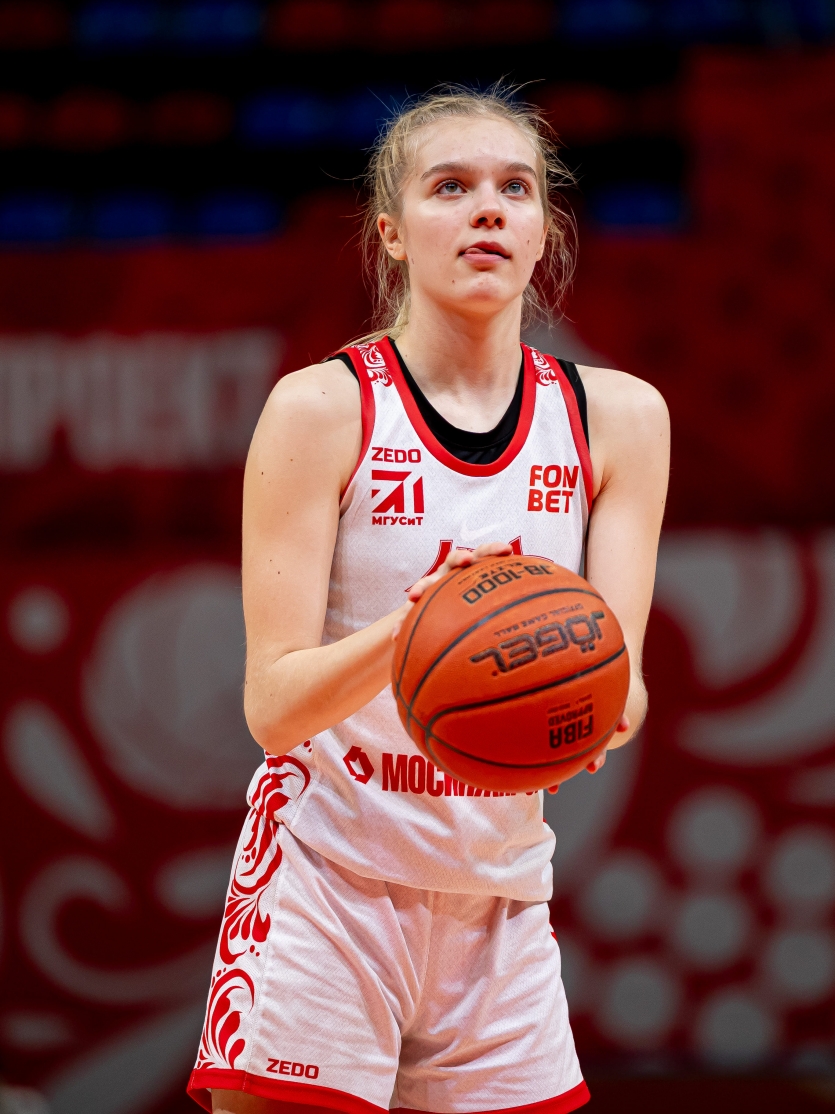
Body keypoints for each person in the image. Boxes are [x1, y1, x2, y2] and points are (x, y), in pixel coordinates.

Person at [188, 86, 670, 1114]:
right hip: (326, 884)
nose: (487, 208)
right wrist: (419, 631)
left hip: (500, 895)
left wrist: (579, 699)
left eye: (514, 189)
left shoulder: (622, 418)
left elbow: (623, 688)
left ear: (544, 231)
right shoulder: (320, 407)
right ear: (391, 233)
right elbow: (272, 708)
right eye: (449, 187)